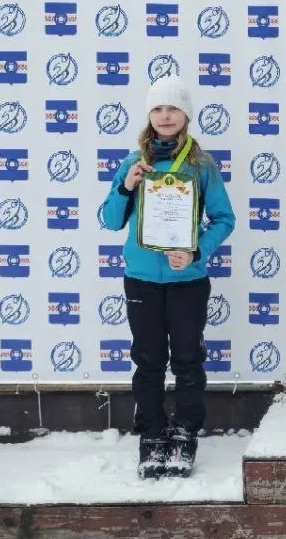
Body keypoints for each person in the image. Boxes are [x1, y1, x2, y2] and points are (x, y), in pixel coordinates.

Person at [101, 74, 236, 478]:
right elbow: (110, 220)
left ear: (186, 115)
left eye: (173, 108)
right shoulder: (133, 163)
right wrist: (126, 187)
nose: (165, 115)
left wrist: (196, 252)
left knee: (188, 359)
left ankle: (185, 432)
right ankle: (152, 434)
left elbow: (224, 219)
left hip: (187, 281)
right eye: (158, 108)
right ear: (149, 115)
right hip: (141, 279)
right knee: (148, 360)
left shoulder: (201, 165)